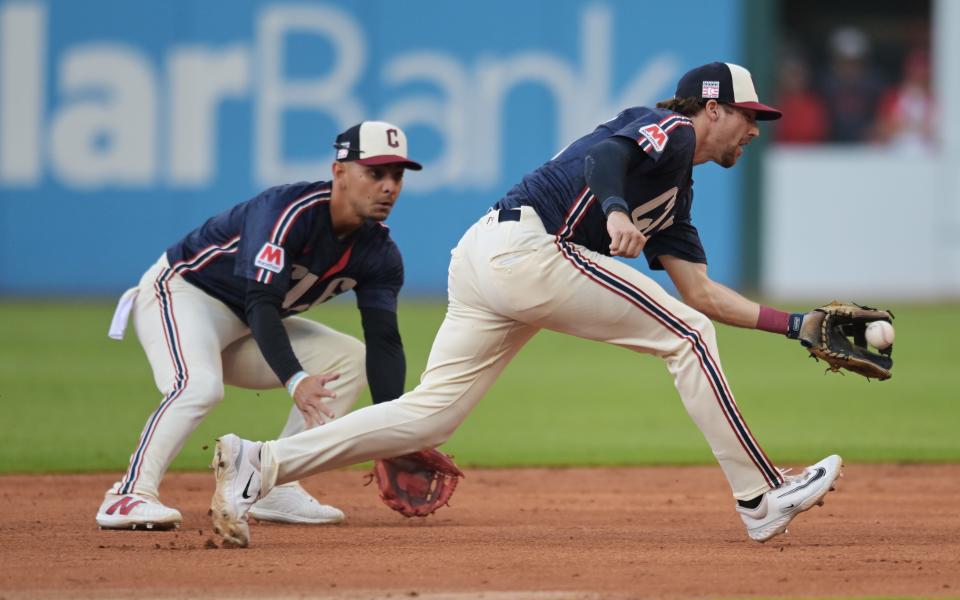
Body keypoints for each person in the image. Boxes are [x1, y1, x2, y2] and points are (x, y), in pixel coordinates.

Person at [210, 63, 843, 547]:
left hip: (489, 255)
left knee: (431, 416)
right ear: (712, 108)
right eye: (746, 115)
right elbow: (604, 156)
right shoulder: (673, 130)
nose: (754, 129)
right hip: (529, 248)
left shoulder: (676, 194)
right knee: (688, 335)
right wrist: (616, 211)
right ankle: (760, 497)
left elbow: (701, 290)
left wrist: (796, 325)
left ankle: (260, 462)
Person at [96, 121, 421, 530]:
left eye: (397, 175)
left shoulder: (380, 253)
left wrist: (392, 432)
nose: (389, 186)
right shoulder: (287, 212)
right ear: (339, 171)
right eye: (375, 173)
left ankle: (277, 484)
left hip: (246, 325)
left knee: (349, 358)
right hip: (183, 295)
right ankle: (128, 494)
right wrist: (295, 378)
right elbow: (262, 303)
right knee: (198, 386)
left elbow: (384, 342)